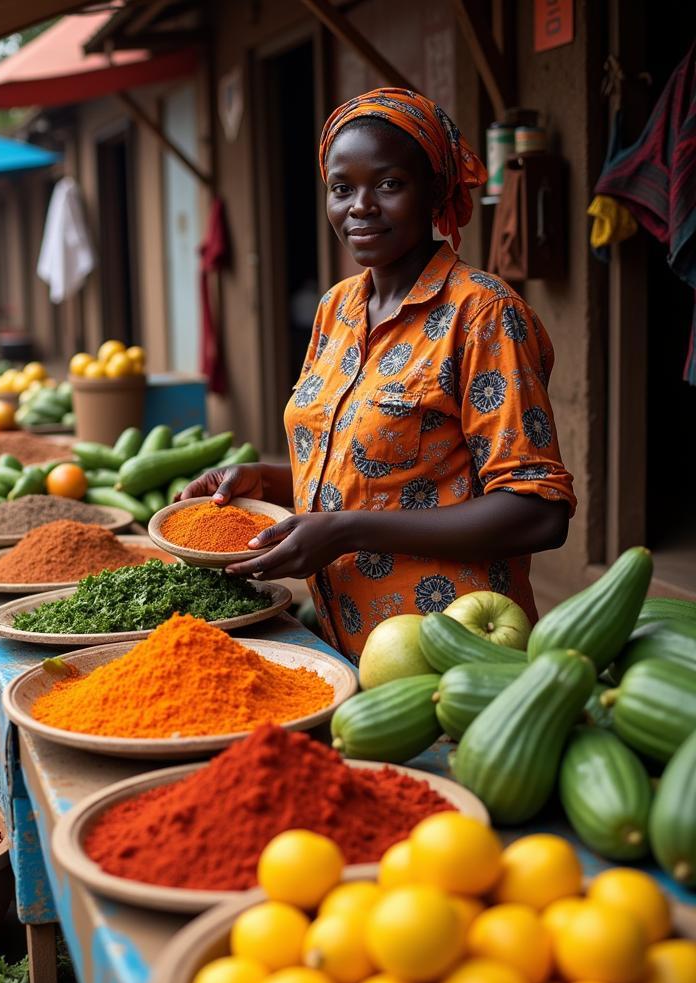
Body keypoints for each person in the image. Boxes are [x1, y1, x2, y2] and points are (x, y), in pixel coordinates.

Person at [183, 89, 576, 665]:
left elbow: (537, 510)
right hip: (342, 644)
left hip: (453, 651)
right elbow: (368, 469)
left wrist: (346, 531)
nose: (359, 206)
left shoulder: (483, 313)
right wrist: (263, 483)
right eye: (342, 188)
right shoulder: (337, 309)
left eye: (389, 184)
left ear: (436, 192)